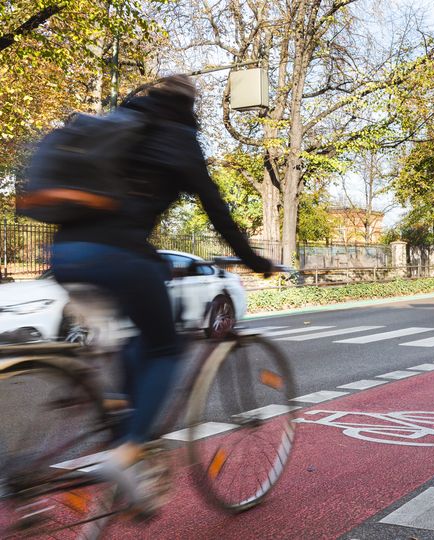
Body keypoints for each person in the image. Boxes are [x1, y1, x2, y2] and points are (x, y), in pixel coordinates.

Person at [50, 75, 273, 512]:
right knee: (166, 349)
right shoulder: (176, 137)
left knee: (135, 334)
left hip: (63, 253)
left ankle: (120, 418)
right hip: (118, 253)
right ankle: (129, 449)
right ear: (188, 108)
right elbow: (217, 210)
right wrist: (253, 260)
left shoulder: (116, 123)